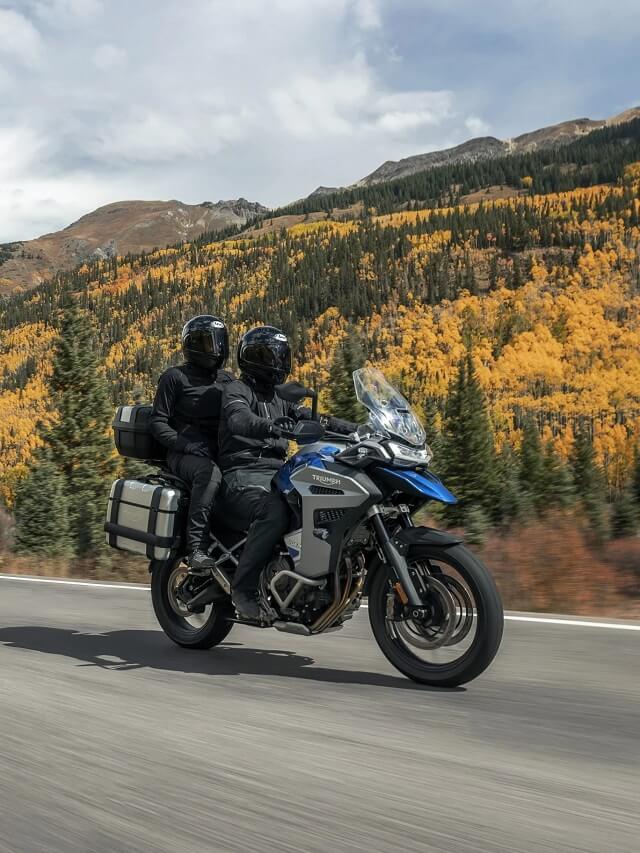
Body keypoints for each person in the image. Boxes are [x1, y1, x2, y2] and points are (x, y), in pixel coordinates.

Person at [218, 325, 357, 621]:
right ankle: (243, 591)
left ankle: (305, 579)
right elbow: (238, 418)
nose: (280, 363)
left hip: (276, 473)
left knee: (313, 501)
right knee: (274, 512)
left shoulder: (280, 396)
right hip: (241, 475)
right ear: (255, 358)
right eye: (273, 356)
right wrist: (269, 426)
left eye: (282, 356)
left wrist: (358, 430)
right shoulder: (237, 390)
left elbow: (314, 417)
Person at [150, 315, 233, 572]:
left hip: (220, 451)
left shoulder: (227, 380)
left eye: (219, 342)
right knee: (210, 474)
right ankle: (196, 548)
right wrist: (186, 444)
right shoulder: (174, 378)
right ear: (192, 344)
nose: (215, 349)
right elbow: (157, 423)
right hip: (184, 454)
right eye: (209, 343)